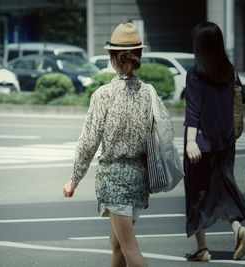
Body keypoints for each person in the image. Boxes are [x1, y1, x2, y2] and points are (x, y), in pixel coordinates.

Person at [63, 22, 170, 267]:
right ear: (138, 55)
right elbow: (162, 131)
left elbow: (89, 141)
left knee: (129, 248)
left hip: (114, 180)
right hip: (139, 179)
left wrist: (74, 179)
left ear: (113, 57)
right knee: (118, 245)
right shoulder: (148, 92)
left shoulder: (103, 95)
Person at [184, 21, 245, 261]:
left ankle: (202, 248)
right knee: (221, 190)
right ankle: (239, 229)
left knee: (197, 194)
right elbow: (242, 98)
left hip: (200, 143)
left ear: (199, 45)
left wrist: (191, 141)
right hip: (225, 143)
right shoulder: (229, 70)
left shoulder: (195, 73)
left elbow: (193, 109)